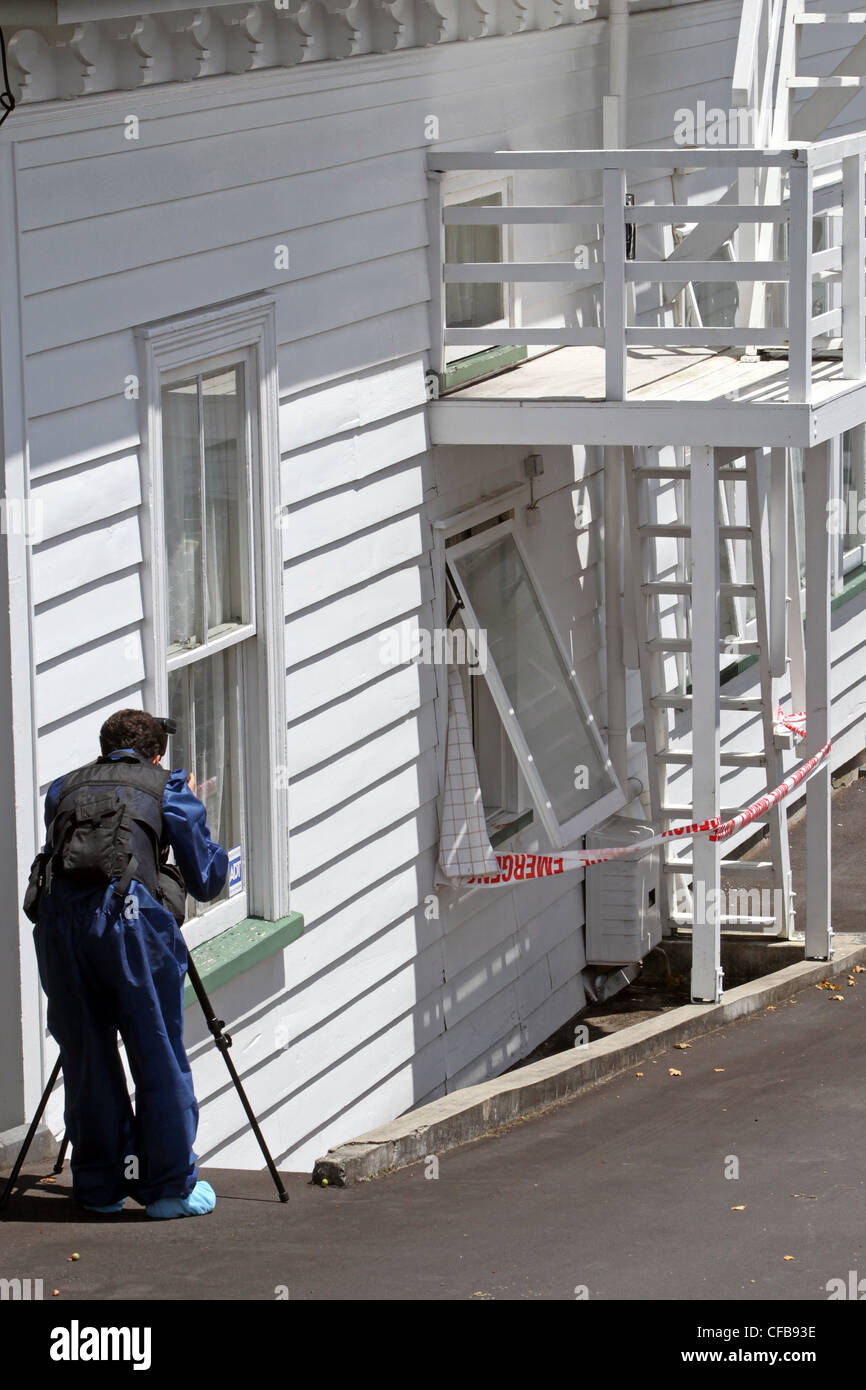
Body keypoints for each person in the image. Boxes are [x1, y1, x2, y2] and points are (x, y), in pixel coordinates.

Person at [29, 708, 228, 1219]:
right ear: (155, 753)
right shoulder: (166, 786)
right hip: (130, 924)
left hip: (61, 931)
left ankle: (99, 1189)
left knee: (86, 1055)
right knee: (155, 1050)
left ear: (105, 748)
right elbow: (206, 879)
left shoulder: (62, 790)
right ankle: (168, 1190)